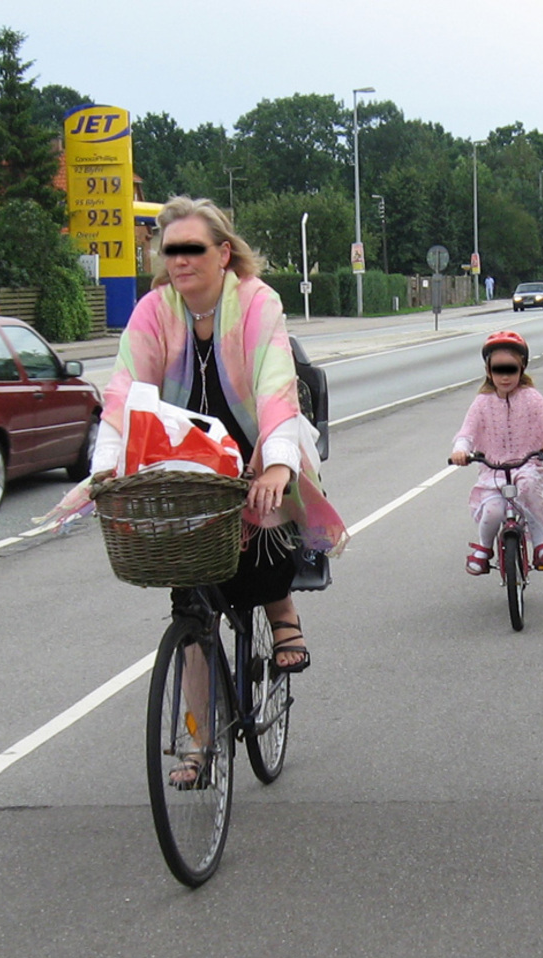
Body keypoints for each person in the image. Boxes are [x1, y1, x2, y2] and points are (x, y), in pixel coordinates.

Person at [85, 198, 347, 782]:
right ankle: (198, 746)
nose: (179, 260)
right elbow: (124, 392)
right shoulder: (154, 311)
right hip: (186, 461)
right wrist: (106, 469)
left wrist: (277, 465)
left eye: (192, 249)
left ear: (223, 253)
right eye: (169, 250)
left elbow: (276, 388)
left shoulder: (256, 302)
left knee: (262, 545)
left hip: (253, 447)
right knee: (191, 608)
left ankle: (280, 607)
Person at [449, 331, 543, 576]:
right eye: (498, 370)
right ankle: (484, 547)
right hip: (493, 471)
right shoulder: (482, 402)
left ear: (521, 368)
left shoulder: (531, 397)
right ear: (488, 370)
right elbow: (466, 434)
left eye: (510, 370)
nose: (504, 377)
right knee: (493, 510)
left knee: (529, 489)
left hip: (526, 465)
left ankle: (541, 544)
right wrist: (461, 450)